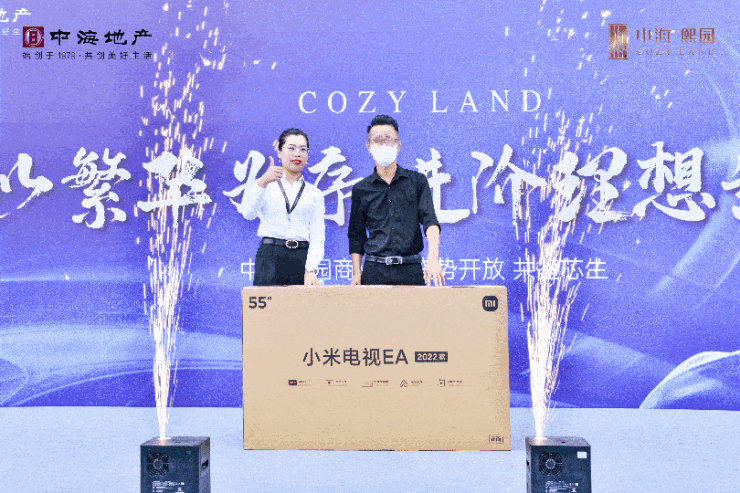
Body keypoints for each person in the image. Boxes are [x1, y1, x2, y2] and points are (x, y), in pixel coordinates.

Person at [348, 115, 444, 286]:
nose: (383, 145)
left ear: (399, 145)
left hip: (410, 268)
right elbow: (356, 235)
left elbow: (430, 221)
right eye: (378, 140)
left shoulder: (417, 181)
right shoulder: (361, 189)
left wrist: (433, 259)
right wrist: (356, 273)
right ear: (369, 147)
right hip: (374, 270)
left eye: (388, 139)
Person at [239, 128, 325, 286]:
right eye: (291, 148)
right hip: (270, 255)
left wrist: (310, 269)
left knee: (300, 303)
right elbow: (248, 214)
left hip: (301, 257)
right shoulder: (263, 184)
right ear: (279, 151)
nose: (297, 154)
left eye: (303, 149)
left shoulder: (314, 193)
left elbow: (317, 235)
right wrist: (262, 182)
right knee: (268, 303)